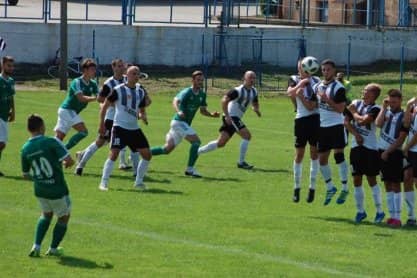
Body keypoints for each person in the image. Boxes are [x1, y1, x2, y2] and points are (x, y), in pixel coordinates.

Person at [74, 59, 140, 175]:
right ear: (113, 68)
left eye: (122, 66)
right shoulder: (109, 83)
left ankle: (136, 173)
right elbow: (100, 99)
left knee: (133, 143)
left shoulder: (127, 80)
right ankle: (80, 165)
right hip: (111, 118)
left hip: (125, 118)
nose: (121, 68)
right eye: (119, 66)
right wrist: (113, 102)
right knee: (100, 142)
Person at [21, 114, 75, 257]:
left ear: (28, 129)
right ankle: (53, 249)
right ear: (41, 127)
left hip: (40, 190)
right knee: (64, 217)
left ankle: (36, 246)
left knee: (46, 215)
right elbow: (69, 161)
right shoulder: (51, 141)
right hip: (57, 189)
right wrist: (63, 163)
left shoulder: (25, 148)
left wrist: (39, 179)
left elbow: (25, 175)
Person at [151, 71, 219, 177]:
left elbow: (203, 111)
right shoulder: (187, 92)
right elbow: (175, 101)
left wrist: (212, 115)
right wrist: (178, 111)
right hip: (178, 122)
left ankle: (138, 153)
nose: (200, 82)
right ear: (193, 80)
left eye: (202, 80)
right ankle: (190, 169)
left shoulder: (202, 94)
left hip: (183, 124)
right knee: (196, 142)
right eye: (198, 80)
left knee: (166, 149)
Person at [99, 66, 151, 191]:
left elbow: (142, 108)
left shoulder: (140, 91)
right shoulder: (118, 90)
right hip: (119, 127)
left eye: (138, 74)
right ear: (126, 75)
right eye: (133, 73)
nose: (136, 76)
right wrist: (101, 124)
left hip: (134, 129)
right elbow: (104, 106)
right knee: (114, 154)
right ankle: (103, 183)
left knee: (147, 155)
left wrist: (143, 115)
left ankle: (138, 182)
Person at [198, 71, 261, 169]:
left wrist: (256, 109)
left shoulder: (254, 91)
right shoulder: (237, 91)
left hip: (234, 118)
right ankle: (241, 162)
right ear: (244, 79)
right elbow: (224, 100)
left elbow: (255, 102)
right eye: (250, 78)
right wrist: (227, 115)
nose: (252, 80)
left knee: (221, 143)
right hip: (231, 117)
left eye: (254, 78)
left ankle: (197, 151)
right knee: (247, 136)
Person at [345, 83, 385, 223]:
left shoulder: (376, 108)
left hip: (370, 149)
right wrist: (356, 135)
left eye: (367, 91)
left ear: (374, 94)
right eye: (364, 90)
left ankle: (380, 211)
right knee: (356, 179)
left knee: (371, 180)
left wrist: (354, 112)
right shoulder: (356, 103)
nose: (363, 92)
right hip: (356, 147)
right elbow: (346, 122)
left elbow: (363, 121)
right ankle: (360, 211)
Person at [315, 59, 349, 206]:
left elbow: (341, 109)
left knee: (339, 156)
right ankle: (330, 187)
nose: (325, 72)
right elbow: (313, 104)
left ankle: (345, 187)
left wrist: (327, 100)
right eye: (323, 69)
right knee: (321, 160)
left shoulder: (339, 88)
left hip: (337, 125)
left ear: (334, 71)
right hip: (322, 127)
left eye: (328, 69)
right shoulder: (317, 86)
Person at [287, 60, 320, 203]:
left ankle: (312, 188)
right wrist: (300, 85)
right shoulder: (293, 79)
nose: (301, 69)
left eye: (304, 67)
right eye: (300, 66)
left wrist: (300, 96)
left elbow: (312, 106)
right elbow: (289, 93)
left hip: (316, 120)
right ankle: (296, 188)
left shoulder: (317, 81)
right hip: (301, 120)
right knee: (299, 154)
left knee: (314, 153)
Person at [375, 89, 408, 228]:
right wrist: (383, 108)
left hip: (394, 153)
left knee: (395, 184)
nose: (392, 104)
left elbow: (401, 138)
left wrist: (388, 151)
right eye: (390, 101)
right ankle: (391, 215)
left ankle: (398, 217)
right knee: (387, 183)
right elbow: (378, 124)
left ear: (400, 101)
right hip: (381, 151)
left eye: (395, 102)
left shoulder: (405, 115)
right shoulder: (386, 112)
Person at [54, 58, 98, 150]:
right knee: (83, 132)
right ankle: (63, 152)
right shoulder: (76, 82)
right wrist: (96, 98)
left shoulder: (93, 83)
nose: (94, 72)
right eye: (92, 70)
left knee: (59, 138)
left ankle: (49, 154)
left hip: (69, 112)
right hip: (67, 110)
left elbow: (100, 97)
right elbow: (81, 98)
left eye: (95, 69)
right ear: (85, 70)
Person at [401, 97, 417, 226]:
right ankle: (411, 215)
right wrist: (408, 107)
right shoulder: (414, 106)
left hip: (412, 148)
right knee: (407, 178)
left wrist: (406, 148)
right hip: (411, 151)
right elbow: (406, 125)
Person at [0, 56, 15, 176]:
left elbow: (11, 97)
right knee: (1, 143)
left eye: (12, 66)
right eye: (8, 65)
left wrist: (13, 111)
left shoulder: (10, 81)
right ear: (2, 65)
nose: (11, 68)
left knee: (2, 143)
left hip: (5, 115)